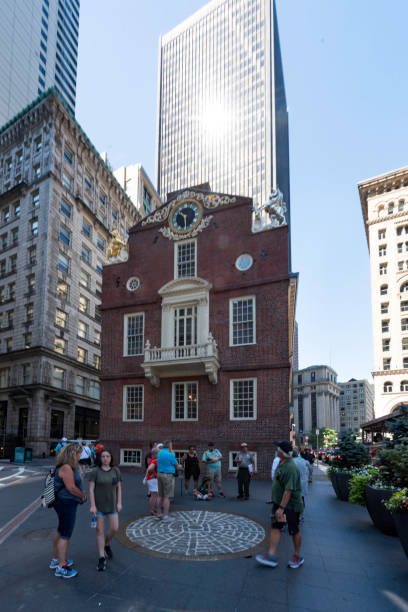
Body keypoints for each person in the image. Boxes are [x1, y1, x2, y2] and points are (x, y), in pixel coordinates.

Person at [256, 440, 304, 569]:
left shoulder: (291, 468)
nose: (276, 450)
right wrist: (277, 506)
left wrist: (281, 508)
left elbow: (288, 491)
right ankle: (271, 555)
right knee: (275, 527)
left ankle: (297, 556)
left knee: (294, 531)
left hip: (290, 506)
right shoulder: (281, 462)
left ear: (282, 452)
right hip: (278, 504)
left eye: (277, 449)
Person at [50, 442, 87, 578]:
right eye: (78, 453)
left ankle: (56, 559)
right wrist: (83, 495)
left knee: (61, 530)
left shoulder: (63, 466)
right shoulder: (66, 467)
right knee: (65, 534)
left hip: (62, 502)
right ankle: (61, 566)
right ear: (73, 454)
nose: (80, 455)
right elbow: (71, 487)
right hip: (66, 503)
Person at [88, 449, 122, 571]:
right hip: (99, 507)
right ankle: (101, 557)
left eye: (108, 456)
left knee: (115, 528)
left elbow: (119, 488)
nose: (105, 458)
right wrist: (92, 505)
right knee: (99, 531)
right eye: (103, 456)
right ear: (100, 458)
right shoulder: (95, 472)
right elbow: (91, 489)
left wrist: (119, 502)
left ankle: (107, 543)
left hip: (112, 505)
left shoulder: (116, 471)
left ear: (111, 458)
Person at [156, 441, 181, 521]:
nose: (172, 447)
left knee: (160, 495)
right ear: (169, 446)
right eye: (171, 446)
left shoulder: (159, 453)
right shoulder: (170, 454)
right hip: (167, 476)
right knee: (167, 496)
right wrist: (182, 467)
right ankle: (166, 515)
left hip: (159, 474)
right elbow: (177, 465)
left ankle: (159, 513)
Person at [292, 448, 308, 515]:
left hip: (295, 484)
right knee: (302, 498)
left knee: (295, 500)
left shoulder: (291, 462)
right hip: (303, 483)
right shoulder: (303, 461)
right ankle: (301, 513)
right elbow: (308, 467)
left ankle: (296, 514)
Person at [145, 447, 159, 515]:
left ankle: (153, 509)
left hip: (150, 479)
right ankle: (151, 510)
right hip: (153, 479)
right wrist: (155, 474)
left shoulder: (151, 460)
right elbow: (150, 469)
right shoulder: (156, 460)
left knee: (154, 496)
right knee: (154, 496)